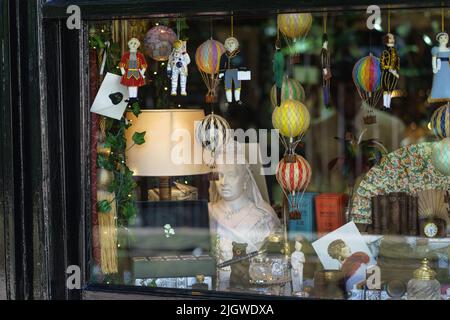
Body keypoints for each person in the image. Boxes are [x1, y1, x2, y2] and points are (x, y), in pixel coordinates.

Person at [208, 142, 281, 284]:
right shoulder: (209, 212)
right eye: (219, 175)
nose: (223, 182)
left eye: (232, 174)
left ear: (246, 178)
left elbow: (274, 262)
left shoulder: (263, 217)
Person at [119, 38, 147, 106]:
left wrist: (143, 71)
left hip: (136, 72)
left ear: (138, 45)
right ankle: (131, 97)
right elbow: (122, 62)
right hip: (128, 71)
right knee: (130, 85)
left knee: (135, 85)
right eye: (132, 43)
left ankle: (134, 97)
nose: (133, 45)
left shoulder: (140, 55)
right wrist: (122, 69)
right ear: (129, 45)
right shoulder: (126, 55)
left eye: (135, 44)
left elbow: (143, 64)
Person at [219, 37, 247, 104]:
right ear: (226, 45)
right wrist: (221, 72)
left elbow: (242, 62)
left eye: (232, 43)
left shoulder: (239, 54)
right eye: (229, 43)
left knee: (237, 86)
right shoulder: (224, 55)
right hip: (227, 72)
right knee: (228, 86)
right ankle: (229, 101)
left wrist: (243, 70)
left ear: (236, 44)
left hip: (236, 72)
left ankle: (237, 100)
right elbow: (222, 64)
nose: (230, 44)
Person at [380, 33, 400, 110]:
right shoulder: (385, 52)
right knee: (386, 90)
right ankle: (385, 105)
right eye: (391, 38)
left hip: (393, 75)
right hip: (387, 74)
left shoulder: (394, 51)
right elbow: (382, 64)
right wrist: (389, 69)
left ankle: (388, 105)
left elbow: (397, 61)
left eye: (393, 38)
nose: (393, 40)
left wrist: (396, 71)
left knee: (390, 90)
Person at [429, 32, 450, 103]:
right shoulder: (436, 50)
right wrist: (434, 67)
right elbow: (434, 59)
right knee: (439, 81)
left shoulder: (449, 50)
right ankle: (437, 94)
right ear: (438, 40)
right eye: (441, 38)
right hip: (439, 67)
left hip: (448, 68)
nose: (443, 39)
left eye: (445, 38)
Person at [320, 33, 332, 108]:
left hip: (326, 69)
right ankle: (326, 102)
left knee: (327, 86)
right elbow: (323, 62)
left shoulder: (325, 50)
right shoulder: (323, 51)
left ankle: (327, 102)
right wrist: (325, 71)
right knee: (326, 86)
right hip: (325, 70)